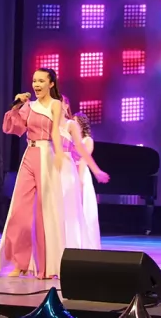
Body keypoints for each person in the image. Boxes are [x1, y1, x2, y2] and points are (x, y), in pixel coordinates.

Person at [0, 68, 65, 279]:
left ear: (51, 83)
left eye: (41, 81)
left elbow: (55, 132)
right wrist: (17, 106)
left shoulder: (55, 104)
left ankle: (45, 266)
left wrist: (59, 153)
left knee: (44, 212)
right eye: (34, 81)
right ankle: (20, 262)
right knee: (18, 211)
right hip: (29, 154)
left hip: (46, 155)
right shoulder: (29, 106)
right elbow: (13, 128)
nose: (36, 85)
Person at [61, 107, 108, 250]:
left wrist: (80, 182)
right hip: (69, 173)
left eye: (75, 122)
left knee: (84, 209)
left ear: (81, 125)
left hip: (81, 174)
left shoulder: (88, 140)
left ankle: (87, 244)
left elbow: (83, 160)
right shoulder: (70, 139)